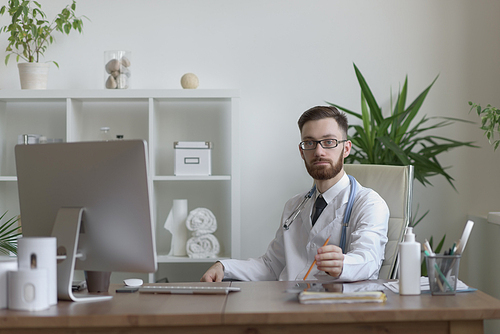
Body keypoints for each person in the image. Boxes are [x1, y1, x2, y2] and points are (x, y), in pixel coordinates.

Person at [201, 106, 389, 282]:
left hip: (334, 307)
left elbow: (369, 259)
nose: (319, 151)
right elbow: (272, 266)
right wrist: (224, 267)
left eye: (329, 142)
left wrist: (343, 264)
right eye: (310, 143)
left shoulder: (369, 203)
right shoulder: (294, 205)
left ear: (346, 148)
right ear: (302, 151)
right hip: (287, 303)